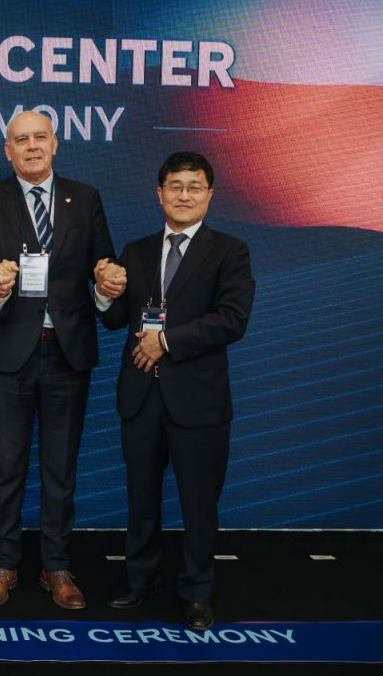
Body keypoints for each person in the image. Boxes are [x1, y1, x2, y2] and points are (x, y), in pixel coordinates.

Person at [0, 110, 120, 609]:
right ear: (6, 150)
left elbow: (103, 261)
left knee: (60, 468)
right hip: (8, 351)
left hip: (67, 351)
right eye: (21, 139)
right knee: (6, 467)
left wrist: (107, 279)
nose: (31, 146)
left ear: (55, 144)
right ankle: (4, 564)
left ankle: (56, 566)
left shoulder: (85, 197)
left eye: (39, 137)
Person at [100, 152, 254, 631]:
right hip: (141, 396)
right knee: (141, 498)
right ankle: (138, 581)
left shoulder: (230, 251)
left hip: (197, 399)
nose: (184, 195)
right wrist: (103, 292)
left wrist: (165, 341)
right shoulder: (137, 251)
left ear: (209, 194)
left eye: (194, 187)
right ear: (159, 193)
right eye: (175, 186)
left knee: (199, 502)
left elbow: (232, 320)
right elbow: (114, 319)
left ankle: (197, 592)